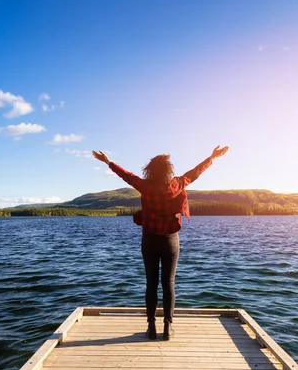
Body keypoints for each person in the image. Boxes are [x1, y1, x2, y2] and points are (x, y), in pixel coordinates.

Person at [92, 145, 229, 340]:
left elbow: (126, 175)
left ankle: (151, 326)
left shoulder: (145, 186)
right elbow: (195, 172)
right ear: (168, 170)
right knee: (169, 283)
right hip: (170, 241)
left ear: (150, 170)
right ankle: (167, 327)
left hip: (149, 239)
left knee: (151, 283)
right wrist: (212, 157)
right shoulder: (177, 184)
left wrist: (107, 162)